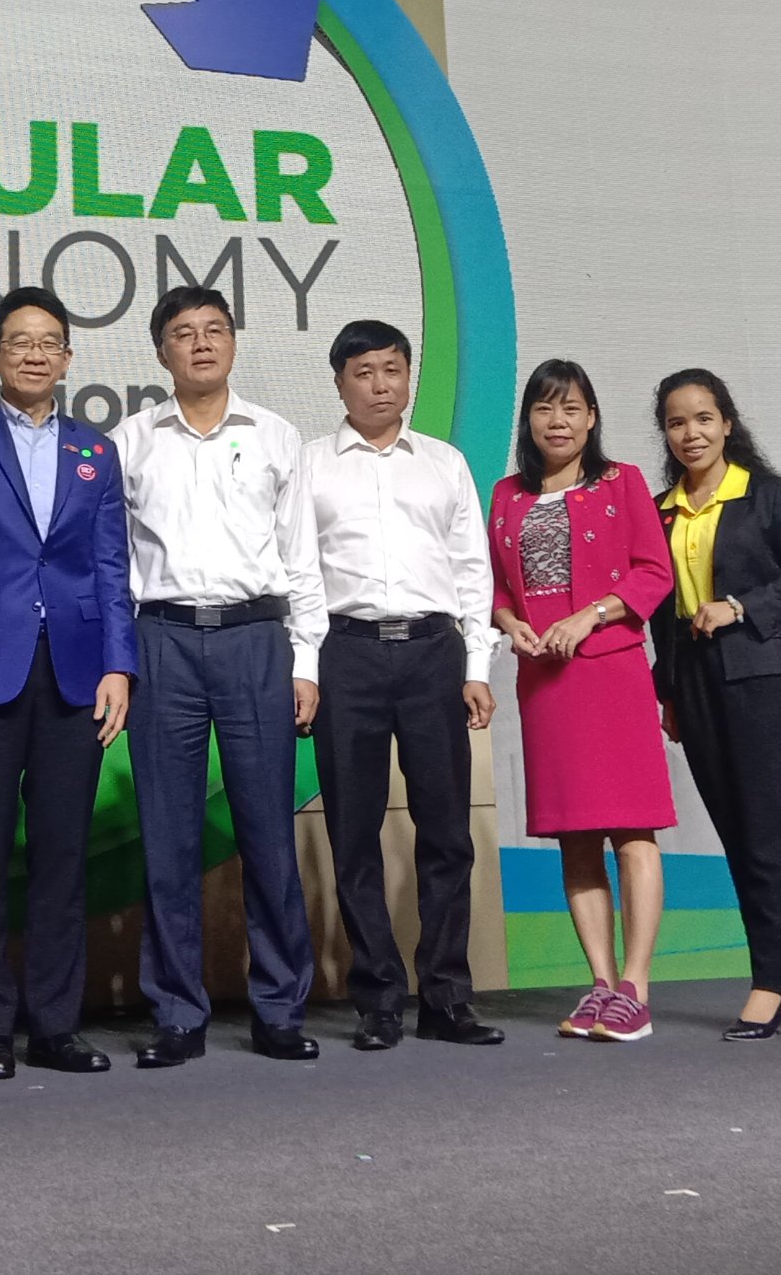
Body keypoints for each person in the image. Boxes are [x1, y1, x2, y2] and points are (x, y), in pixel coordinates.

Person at [0, 287, 135, 1080]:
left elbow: (111, 568)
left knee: (62, 856)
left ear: (68, 358)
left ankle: (54, 1026)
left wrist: (120, 665)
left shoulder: (95, 450)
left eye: (49, 342)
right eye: (20, 342)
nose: (35, 354)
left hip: (76, 674)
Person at [110, 287, 325, 1067]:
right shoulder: (130, 441)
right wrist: (119, 661)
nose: (201, 343)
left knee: (268, 833)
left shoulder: (276, 435)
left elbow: (302, 560)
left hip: (256, 642)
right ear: (160, 352)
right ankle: (176, 1012)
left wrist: (306, 661)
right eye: (183, 333)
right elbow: (112, 564)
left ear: (233, 342)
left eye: (214, 330)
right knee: (167, 837)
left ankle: (279, 1008)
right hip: (161, 641)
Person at [298, 318, 504, 1053]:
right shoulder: (309, 465)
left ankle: (446, 997)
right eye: (364, 372)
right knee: (352, 834)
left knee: (446, 832)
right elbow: (298, 574)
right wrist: (304, 668)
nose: (381, 385)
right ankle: (378, 998)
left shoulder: (445, 463)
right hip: (346, 655)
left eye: (392, 369)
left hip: (433, 655)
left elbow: (473, 570)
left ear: (409, 376)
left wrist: (476, 668)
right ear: (339, 384)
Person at [487, 357, 675, 1043]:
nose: (557, 421)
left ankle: (635, 988)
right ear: (528, 421)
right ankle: (600, 983)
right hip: (545, 683)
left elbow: (655, 572)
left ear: (591, 418)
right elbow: (496, 586)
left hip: (611, 675)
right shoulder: (506, 495)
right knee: (576, 836)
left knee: (633, 830)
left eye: (571, 408)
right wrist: (508, 622)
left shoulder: (622, 482)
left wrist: (590, 616)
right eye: (544, 408)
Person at [650, 369, 781, 1040]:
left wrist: (740, 606)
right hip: (693, 684)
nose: (691, 433)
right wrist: (667, 689)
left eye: (703, 418)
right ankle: (776, 978)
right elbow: (661, 611)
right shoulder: (660, 508)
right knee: (735, 834)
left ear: (727, 423)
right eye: (676, 422)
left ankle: (774, 983)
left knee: (768, 831)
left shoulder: (764, 495)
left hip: (756, 675)